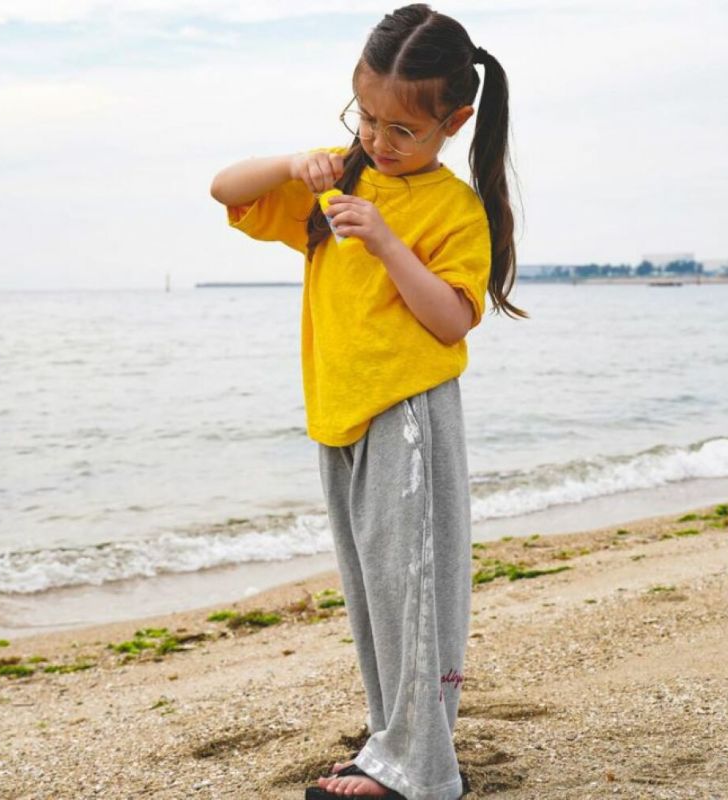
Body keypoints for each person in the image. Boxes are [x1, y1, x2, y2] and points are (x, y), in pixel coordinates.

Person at [210, 4, 526, 798]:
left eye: (403, 130)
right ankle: (394, 743)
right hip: (340, 415)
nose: (379, 140)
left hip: (408, 415)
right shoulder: (335, 176)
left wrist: (386, 241)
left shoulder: (452, 208)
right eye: (366, 118)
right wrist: (294, 163)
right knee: (374, 595)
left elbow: (452, 319)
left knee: (414, 591)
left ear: (455, 122)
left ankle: (422, 771)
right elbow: (224, 188)